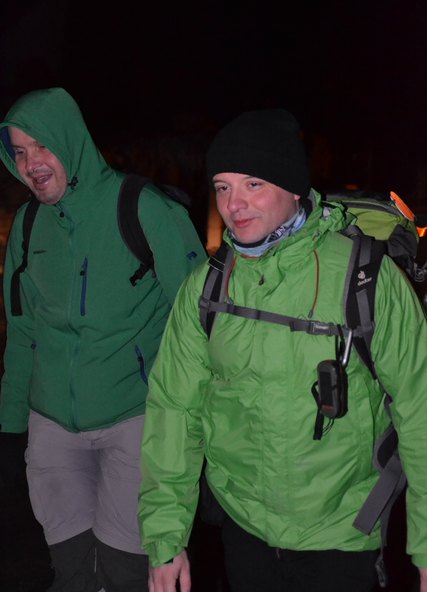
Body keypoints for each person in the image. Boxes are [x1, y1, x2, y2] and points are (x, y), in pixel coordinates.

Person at [138, 109, 427, 592]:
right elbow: (174, 411)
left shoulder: (367, 279)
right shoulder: (207, 288)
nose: (234, 204)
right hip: (243, 530)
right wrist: (165, 538)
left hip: (341, 534)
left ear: (293, 187)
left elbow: (420, 410)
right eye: (223, 186)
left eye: (253, 184)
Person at [0, 87, 206, 592]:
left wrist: (204, 427)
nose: (31, 163)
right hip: (52, 428)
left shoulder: (144, 209)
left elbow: (200, 325)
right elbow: (22, 333)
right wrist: (9, 429)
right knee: (71, 571)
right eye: (19, 152)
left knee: (125, 571)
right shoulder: (27, 226)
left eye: (42, 145)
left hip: (134, 421)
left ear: (71, 140)